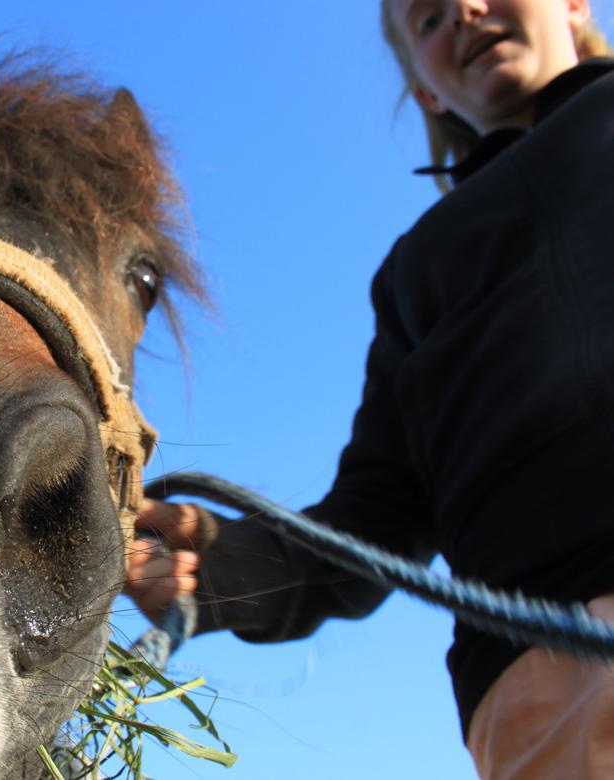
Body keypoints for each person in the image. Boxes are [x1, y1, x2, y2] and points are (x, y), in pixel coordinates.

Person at [124, 1, 614, 777]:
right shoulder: (418, 269)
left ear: (575, 4)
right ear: (423, 88)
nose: (465, 12)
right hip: (536, 682)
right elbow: (372, 524)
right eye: (427, 19)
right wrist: (221, 563)